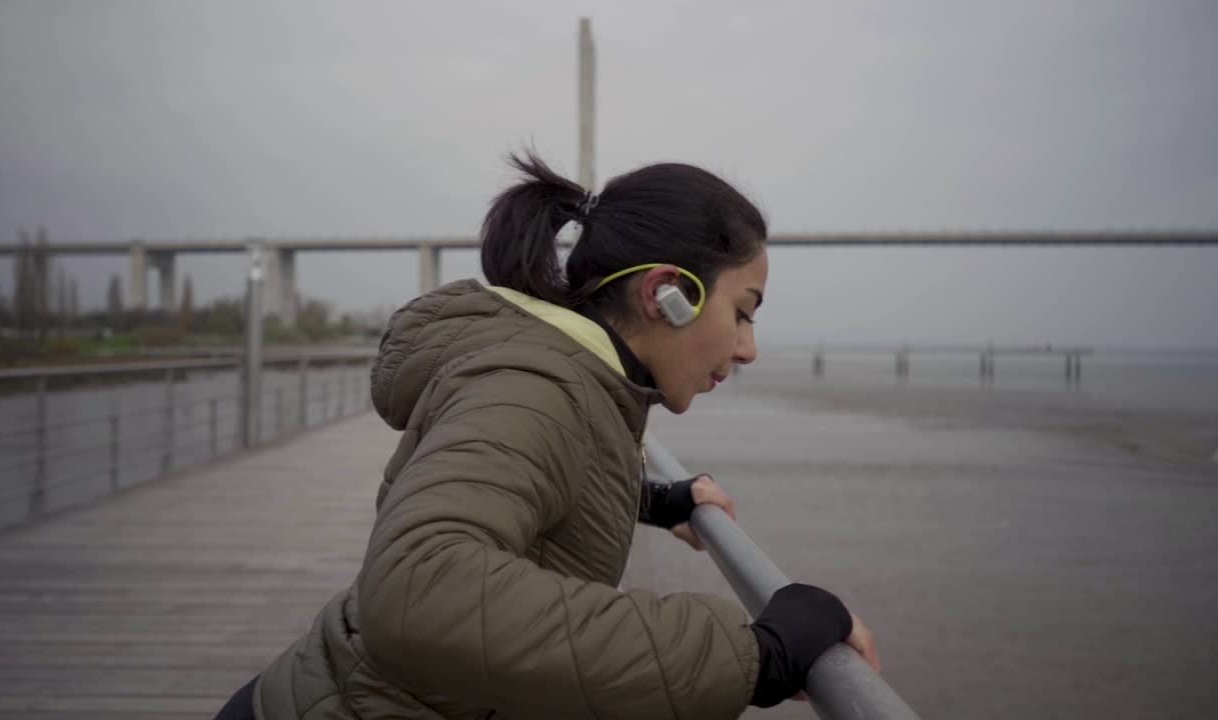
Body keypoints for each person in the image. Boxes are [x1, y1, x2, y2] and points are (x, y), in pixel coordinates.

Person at [216, 152, 880, 720]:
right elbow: (418, 590)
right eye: (742, 312)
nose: (748, 349)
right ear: (665, 293)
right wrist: (757, 654)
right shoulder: (533, 386)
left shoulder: (577, 382)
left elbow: (537, 473)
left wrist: (656, 500)